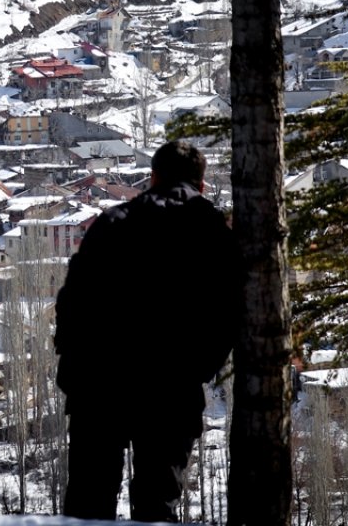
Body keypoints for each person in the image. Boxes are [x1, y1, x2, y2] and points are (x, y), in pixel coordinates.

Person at [54, 140, 243, 521]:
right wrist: (197, 370)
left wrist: (74, 371)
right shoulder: (213, 230)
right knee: (158, 505)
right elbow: (229, 313)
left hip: (98, 383)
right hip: (171, 388)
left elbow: (71, 303)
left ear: (153, 177)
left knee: (88, 503)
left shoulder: (111, 222)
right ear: (202, 185)